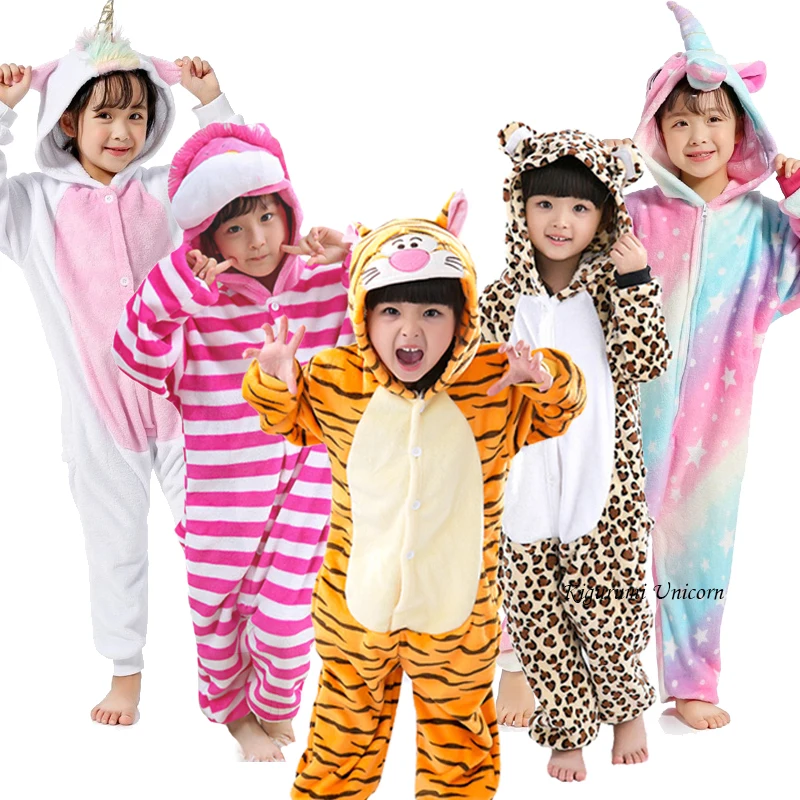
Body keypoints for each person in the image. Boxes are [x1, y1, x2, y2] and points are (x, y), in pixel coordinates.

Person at [242, 193, 586, 798]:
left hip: (456, 620)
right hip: (356, 612)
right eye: (390, 311)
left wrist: (542, 376)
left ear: (462, 316)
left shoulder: (494, 382)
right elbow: (286, 420)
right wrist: (273, 378)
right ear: (362, 314)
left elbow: (563, 407)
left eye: (431, 312)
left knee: (460, 751)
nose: (409, 330)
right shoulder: (337, 379)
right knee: (339, 744)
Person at [0, 0, 240, 726]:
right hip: (98, 416)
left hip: (185, 405)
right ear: (67, 121)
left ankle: (237, 669)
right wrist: (5, 110)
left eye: (136, 115)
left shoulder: (165, 190)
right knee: (114, 548)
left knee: (219, 542)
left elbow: (236, 184)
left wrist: (211, 101)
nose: (122, 132)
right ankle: (124, 670)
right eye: (104, 115)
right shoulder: (34, 204)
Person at [113, 122, 352, 761]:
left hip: (310, 490)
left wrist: (350, 256)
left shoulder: (327, 284)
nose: (258, 241)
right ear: (208, 240)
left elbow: (392, 310)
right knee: (218, 623)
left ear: (288, 210)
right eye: (235, 229)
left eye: (267, 217)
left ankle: (275, 706)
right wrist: (178, 288)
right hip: (223, 497)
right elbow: (134, 354)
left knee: (286, 626)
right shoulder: (199, 309)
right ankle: (234, 716)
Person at [603, 1, 800, 731]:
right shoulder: (635, 211)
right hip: (626, 409)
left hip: (719, 417)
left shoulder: (766, 226)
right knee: (597, 541)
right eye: (681, 120)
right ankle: (570, 671)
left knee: (699, 554)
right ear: (657, 128)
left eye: (715, 119)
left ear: (742, 129)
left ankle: (691, 680)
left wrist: (797, 192)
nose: (698, 135)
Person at [481, 125, 670, 781]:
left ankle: (626, 709)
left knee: (610, 604)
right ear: (520, 207)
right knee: (537, 613)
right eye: (545, 204)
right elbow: (476, 380)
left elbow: (647, 361)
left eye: (580, 207)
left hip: (604, 479)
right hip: (523, 479)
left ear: (604, 216)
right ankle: (566, 728)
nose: (560, 222)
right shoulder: (501, 297)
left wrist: (637, 279)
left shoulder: (614, 290)